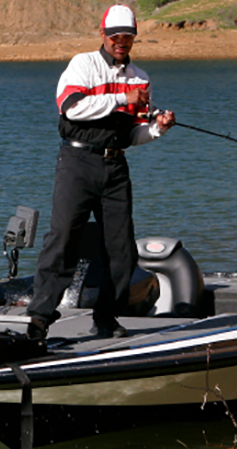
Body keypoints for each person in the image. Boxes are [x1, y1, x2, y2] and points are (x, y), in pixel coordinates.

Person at [26, 4, 176, 340]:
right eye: (115, 36)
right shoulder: (83, 64)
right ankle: (39, 317)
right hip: (77, 162)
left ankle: (106, 318)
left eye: (128, 36)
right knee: (63, 239)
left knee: (121, 249)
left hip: (116, 167)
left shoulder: (141, 78)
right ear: (103, 34)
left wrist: (158, 128)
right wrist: (123, 98)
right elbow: (71, 108)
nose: (121, 42)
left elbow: (133, 134)